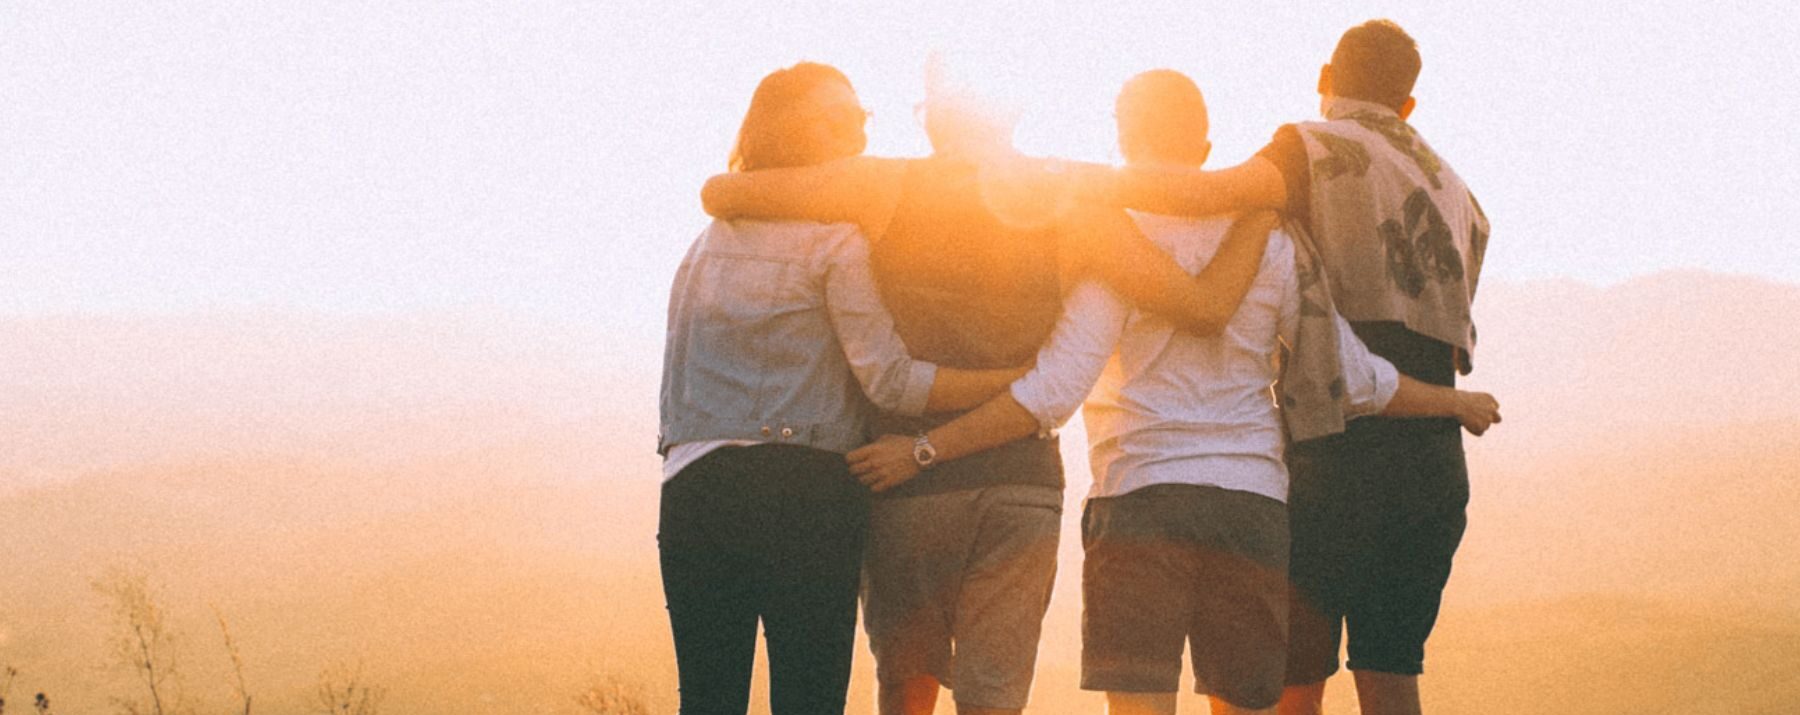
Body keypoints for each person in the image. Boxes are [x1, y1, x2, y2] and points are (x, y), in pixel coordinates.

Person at [844, 68, 1499, 715]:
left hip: (1139, 498)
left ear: (1123, 142)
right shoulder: (1272, 238)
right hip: (1250, 505)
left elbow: (1054, 391)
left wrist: (927, 448)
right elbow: (1352, 376)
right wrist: (1453, 401)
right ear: (1207, 150)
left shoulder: (1112, 242)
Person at [701, 60, 1277, 715]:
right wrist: (1261, 202)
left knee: (905, 689)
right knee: (995, 699)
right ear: (1012, 112)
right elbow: (1198, 303)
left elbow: (725, 193)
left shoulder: (881, 185)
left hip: (905, 482)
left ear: (934, 115)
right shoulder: (1069, 195)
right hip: (1020, 484)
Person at [1091, 21, 1492, 715]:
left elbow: (1209, 196)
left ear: (1324, 77)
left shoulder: (1309, 147)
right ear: (1408, 105)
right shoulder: (1457, 191)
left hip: (1331, 453)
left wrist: (1061, 184)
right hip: (1430, 457)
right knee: (1392, 673)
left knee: (1289, 685)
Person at [658, 62, 1030, 715]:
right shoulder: (836, 240)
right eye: (844, 117)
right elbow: (888, 378)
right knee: (809, 696)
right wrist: (1009, 384)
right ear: (802, 130)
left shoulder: (703, 246)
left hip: (693, 488)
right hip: (804, 490)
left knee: (708, 699)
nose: (861, 129)